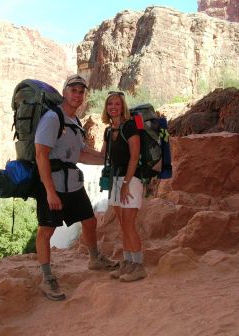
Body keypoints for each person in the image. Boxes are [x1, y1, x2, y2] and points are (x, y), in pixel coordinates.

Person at [34, 74, 118, 301]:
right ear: (65, 92)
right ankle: (47, 276)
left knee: (89, 221)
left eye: (81, 91)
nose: (77, 95)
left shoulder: (75, 122)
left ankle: (94, 258)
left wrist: (106, 160)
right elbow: (41, 154)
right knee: (46, 230)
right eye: (73, 90)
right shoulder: (53, 118)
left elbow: (80, 154)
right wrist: (50, 191)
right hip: (51, 183)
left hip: (72, 182)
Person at [101, 91, 147, 282]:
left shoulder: (129, 127)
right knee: (123, 225)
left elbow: (134, 157)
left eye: (117, 104)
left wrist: (126, 184)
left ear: (123, 107)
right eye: (110, 103)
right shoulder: (107, 130)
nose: (113, 107)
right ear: (106, 107)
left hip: (131, 179)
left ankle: (139, 266)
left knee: (129, 224)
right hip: (115, 180)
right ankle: (128, 262)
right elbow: (103, 155)